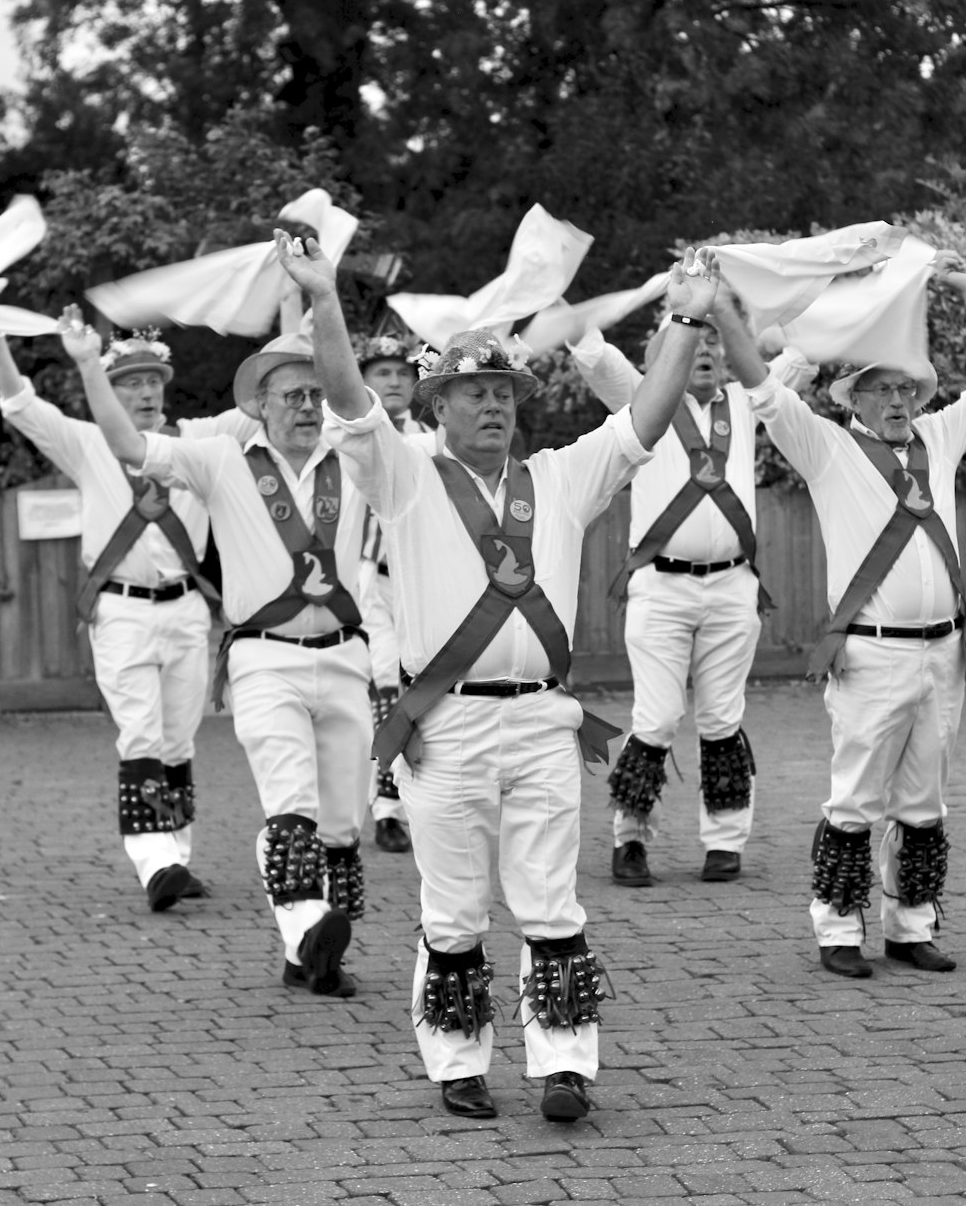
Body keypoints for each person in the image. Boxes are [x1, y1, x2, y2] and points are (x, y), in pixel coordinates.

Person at [273, 227, 723, 1121]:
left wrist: (684, 314)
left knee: (552, 900)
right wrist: (324, 297)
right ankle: (457, 1062)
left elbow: (646, 418)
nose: (492, 406)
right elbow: (350, 400)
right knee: (454, 910)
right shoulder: (400, 477)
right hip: (444, 730)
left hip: (546, 723)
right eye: (472, 393)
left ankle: (565, 1063)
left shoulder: (558, 478)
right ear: (436, 406)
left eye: (503, 393)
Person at [64, 314, 373, 998]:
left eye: (314, 394)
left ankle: (305, 951)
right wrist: (90, 363)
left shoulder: (356, 457)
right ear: (257, 405)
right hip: (264, 659)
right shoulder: (219, 460)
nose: (305, 407)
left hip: (346, 658)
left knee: (343, 825)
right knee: (289, 805)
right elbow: (125, 441)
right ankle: (305, 924)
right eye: (290, 395)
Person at [715, 249, 966, 979]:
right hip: (871, 652)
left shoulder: (940, 440)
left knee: (925, 798)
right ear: (851, 399)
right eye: (881, 389)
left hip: (942, 653)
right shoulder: (826, 449)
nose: (897, 401)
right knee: (855, 796)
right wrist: (723, 312)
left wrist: (953, 282)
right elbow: (761, 388)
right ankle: (838, 928)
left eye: (906, 390)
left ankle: (911, 924)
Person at [0, 319, 256, 912]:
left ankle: (176, 857)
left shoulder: (199, 439)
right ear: (109, 389)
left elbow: (263, 403)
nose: (145, 392)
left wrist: (303, 324)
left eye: (153, 381)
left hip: (188, 608)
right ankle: (153, 858)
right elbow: (19, 402)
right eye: (131, 382)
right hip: (121, 610)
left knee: (179, 739)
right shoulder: (87, 442)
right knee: (139, 733)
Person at [571, 300, 818, 887]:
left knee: (722, 718)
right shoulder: (640, 401)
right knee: (655, 719)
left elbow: (804, 354)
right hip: (660, 589)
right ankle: (630, 839)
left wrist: (763, 298)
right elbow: (590, 353)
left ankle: (725, 842)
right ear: (660, 358)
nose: (704, 351)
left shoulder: (746, 401)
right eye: (691, 343)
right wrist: (558, 296)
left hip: (735, 587)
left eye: (713, 344)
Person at [352, 331, 431, 854]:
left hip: (421, 581)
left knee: (420, 683)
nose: (396, 381)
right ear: (364, 381)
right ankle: (385, 808)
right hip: (371, 579)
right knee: (384, 680)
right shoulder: (353, 436)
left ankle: (418, 796)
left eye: (404, 373)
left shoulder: (434, 436)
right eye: (383, 373)